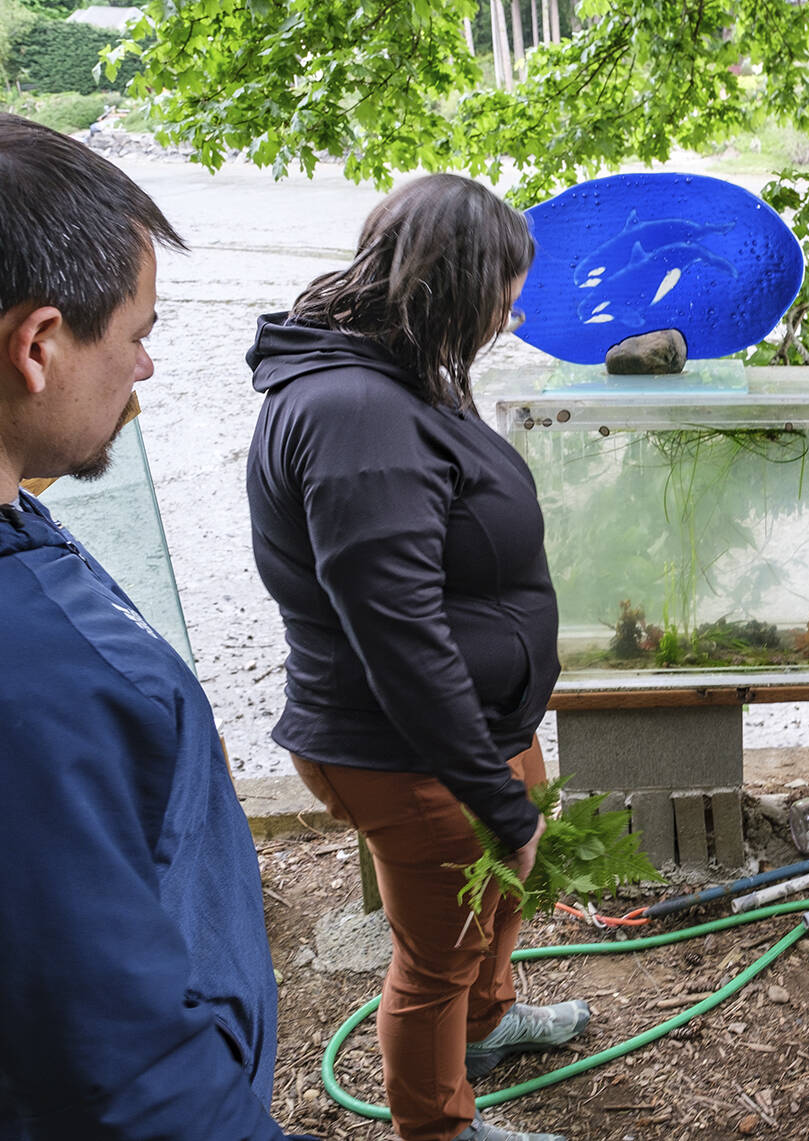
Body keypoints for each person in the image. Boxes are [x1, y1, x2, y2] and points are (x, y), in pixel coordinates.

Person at [0, 110, 313, 1140]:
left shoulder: (15, 548)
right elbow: (120, 1072)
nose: (146, 370)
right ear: (38, 345)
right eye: (137, 335)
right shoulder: (27, 674)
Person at [246, 174, 584, 1141]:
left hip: (470, 728)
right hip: (407, 743)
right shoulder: (356, 413)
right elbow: (394, 632)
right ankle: (439, 1124)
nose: (514, 309)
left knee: (506, 883)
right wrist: (494, 789)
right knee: (435, 951)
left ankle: (486, 1024)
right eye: (506, 288)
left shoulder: (391, 373)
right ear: (457, 280)